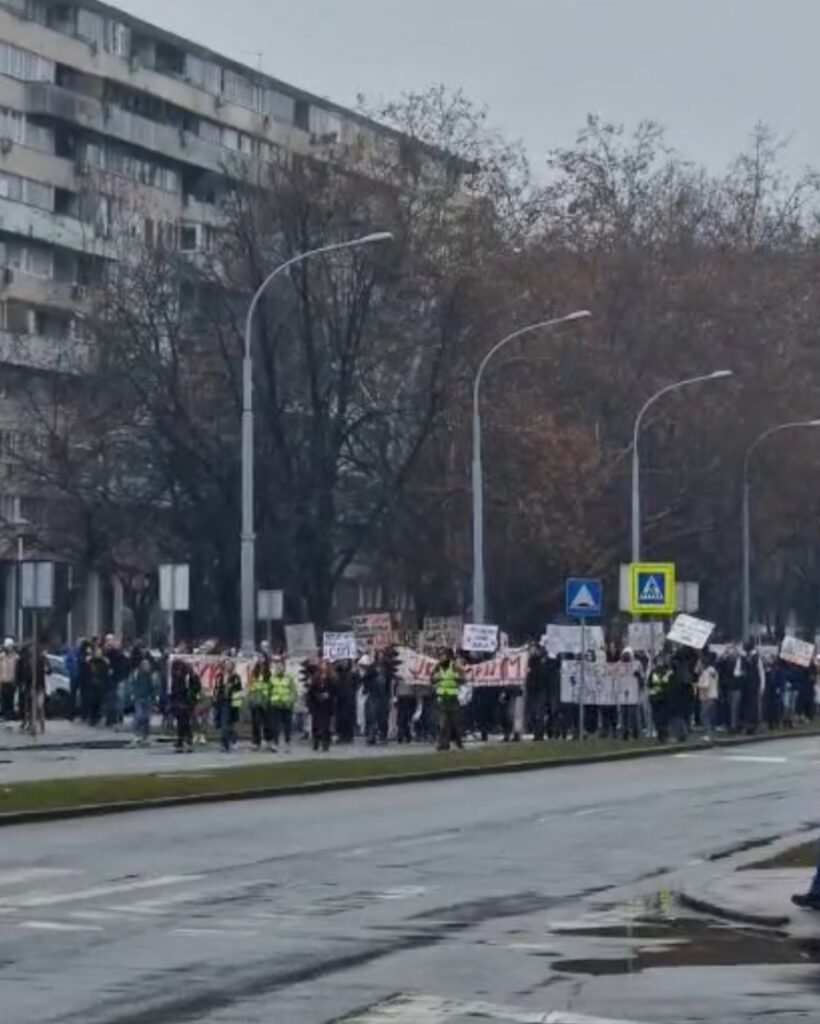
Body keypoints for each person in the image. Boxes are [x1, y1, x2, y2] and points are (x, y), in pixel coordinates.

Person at [431, 649, 464, 751]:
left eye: (443, 655)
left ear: (449, 657)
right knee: (443, 723)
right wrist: (435, 682)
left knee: (455, 723)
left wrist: (457, 678)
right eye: (441, 655)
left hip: (453, 698)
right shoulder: (437, 667)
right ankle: (443, 744)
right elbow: (431, 679)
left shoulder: (455, 667)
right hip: (442, 698)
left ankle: (458, 742)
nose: (441, 657)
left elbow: (462, 678)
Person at [213, 658, 243, 752]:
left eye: (229, 664)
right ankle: (224, 743)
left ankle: (230, 740)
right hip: (222, 702)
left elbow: (238, 690)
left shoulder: (235, 677)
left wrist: (237, 705)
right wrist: (215, 699)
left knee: (229, 724)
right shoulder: (219, 676)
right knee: (223, 723)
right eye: (225, 664)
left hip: (232, 702)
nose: (227, 666)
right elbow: (217, 689)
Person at [170, 659, 200, 753]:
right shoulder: (177, 677)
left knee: (185, 722)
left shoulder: (191, 677)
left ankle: (187, 739)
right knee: (181, 722)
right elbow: (174, 689)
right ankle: (182, 739)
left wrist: (193, 699)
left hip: (187, 702)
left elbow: (196, 688)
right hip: (179, 701)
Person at [362, 651, 391, 745]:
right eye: (379, 654)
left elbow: (389, 681)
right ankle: (371, 735)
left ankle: (383, 735)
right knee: (372, 716)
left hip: (384, 695)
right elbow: (365, 678)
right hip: (374, 694)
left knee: (383, 717)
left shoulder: (387, 667)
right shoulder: (372, 667)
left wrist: (389, 694)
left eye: (382, 654)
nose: (381, 656)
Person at [307, 660, 336, 752]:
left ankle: (325, 743)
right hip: (317, 704)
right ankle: (316, 741)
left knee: (326, 725)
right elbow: (311, 691)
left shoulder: (331, 678)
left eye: (325, 666)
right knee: (316, 724)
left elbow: (335, 690)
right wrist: (318, 696)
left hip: (327, 705)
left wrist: (328, 695)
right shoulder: (315, 678)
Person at [269, 657, 297, 752]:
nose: (279, 668)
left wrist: (290, 701)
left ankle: (287, 743)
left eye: (280, 667)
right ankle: (275, 743)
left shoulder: (289, 678)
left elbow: (293, 691)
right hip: (275, 705)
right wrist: (269, 701)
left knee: (287, 726)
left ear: (284, 668)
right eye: (277, 667)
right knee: (274, 726)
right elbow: (269, 691)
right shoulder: (272, 678)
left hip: (286, 705)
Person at [248, 657, 274, 751]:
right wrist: (251, 699)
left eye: (263, 661)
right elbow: (250, 687)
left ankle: (269, 741)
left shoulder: (269, 674)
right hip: (255, 701)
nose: (261, 663)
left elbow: (271, 686)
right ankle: (256, 742)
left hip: (266, 701)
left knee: (268, 723)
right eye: (260, 661)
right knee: (256, 723)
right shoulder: (254, 674)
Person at [647, 656, 673, 743]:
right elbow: (650, 684)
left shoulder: (664, 672)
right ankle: (662, 736)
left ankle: (663, 736)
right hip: (659, 698)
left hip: (660, 698)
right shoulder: (660, 672)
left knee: (660, 719)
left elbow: (650, 685)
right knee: (660, 719)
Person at [130, 658, 155, 745]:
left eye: (147, 665)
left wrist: (153, 696)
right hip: (139, 698)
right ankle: (137, 735)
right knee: (139, 716)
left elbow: (152, 687)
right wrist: (133, 694)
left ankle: (145, 736)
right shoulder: (137, 674)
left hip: (147, 698)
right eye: (145, 665)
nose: (147, 667)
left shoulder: (150, 675)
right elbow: (133, 684)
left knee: (146, 718)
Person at [696, 651, 720, 740]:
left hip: (707, 697)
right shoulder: (713, 671)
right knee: (710, 716)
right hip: (713, 695)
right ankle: (711, 734)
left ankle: (708, 734)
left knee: (704, 716)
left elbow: (706, 685)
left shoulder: (706, 672)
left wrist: (698, 685)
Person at [0, 638, 18, 722]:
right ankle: (4, 715)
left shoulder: (16, 657)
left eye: (10, 646)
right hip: (3, 681)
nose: (8, 648)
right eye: (7, 646)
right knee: (4, 699)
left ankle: (9, 715)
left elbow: (18, 669)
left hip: (12, 681)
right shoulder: (1, 656)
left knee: (10, 699)